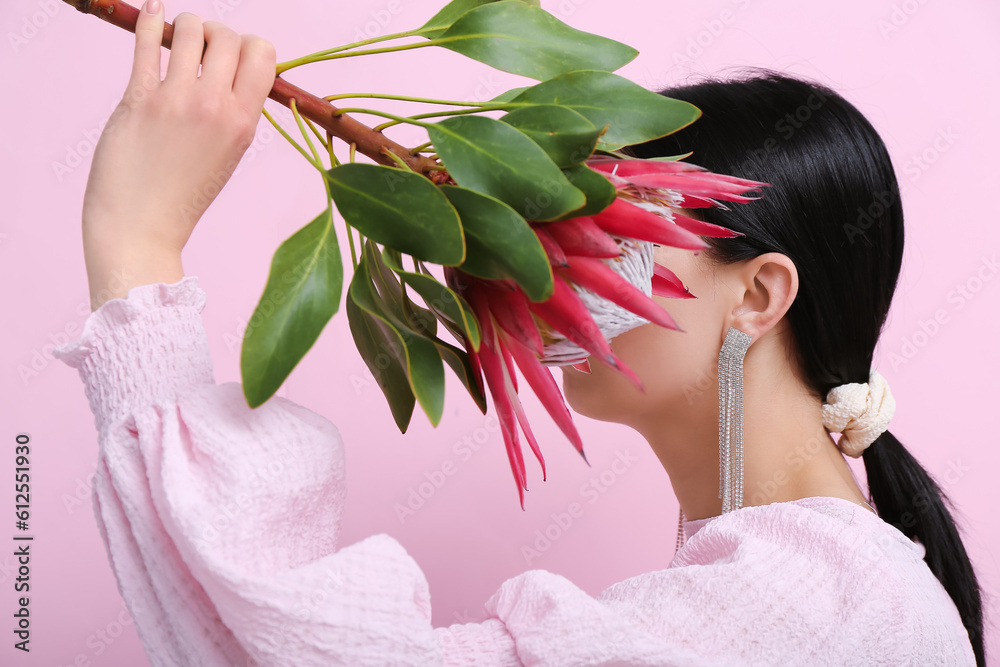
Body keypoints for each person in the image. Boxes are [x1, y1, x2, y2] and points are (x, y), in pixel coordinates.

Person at [54, 0, 984, 664]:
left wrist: (137, 250)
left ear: (758, 295)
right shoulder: (816, 588)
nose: (542, 267)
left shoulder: (821, 603)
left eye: (618, 232)